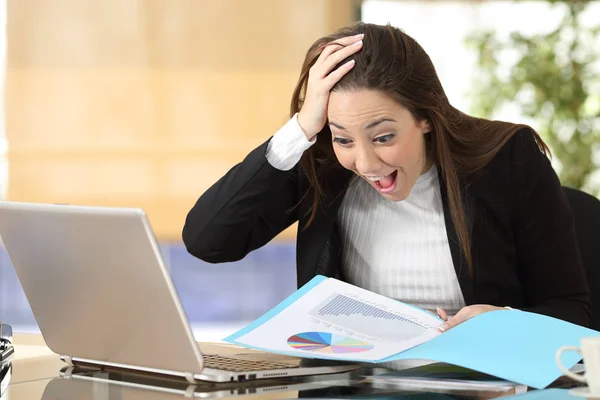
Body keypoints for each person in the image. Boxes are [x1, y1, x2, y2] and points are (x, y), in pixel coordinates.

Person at [182, 22, 591, 332]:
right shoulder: (322, 164)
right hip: (352, 385)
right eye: (343, 138)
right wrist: (303, 128)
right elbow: (209, 241)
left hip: (475, 387)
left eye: (383, 136)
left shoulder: (507, 160)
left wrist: (505, 322)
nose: (365, 163)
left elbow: (570, 307)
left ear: (426, 118)